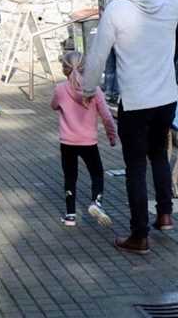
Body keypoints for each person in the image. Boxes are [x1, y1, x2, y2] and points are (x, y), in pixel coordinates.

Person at [82, 0, 178, 255]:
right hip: (166, 99)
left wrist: (89, 90)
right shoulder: (171, 3)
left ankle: (140, 235)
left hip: (136, 103)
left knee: (136, 167)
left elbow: (98, 55)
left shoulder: (117, 10)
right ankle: (164, 214)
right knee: (159, 155)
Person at [51, 51, 117, 228]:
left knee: (70, 177)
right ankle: (96, 202)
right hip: (89, 142)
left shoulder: (60, 89)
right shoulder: (94, 90)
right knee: (96, 173)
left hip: (67, 142)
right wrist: (112, 136)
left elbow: (54, 105)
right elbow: (107, 116)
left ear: (65, 69)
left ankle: (70, 216)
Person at [96, 0, 125, 106]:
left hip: (105, 29)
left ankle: (108, 92)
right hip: (113, 30)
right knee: (117, 62)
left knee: (110, 63)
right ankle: (112, 93)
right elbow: (112, 9)